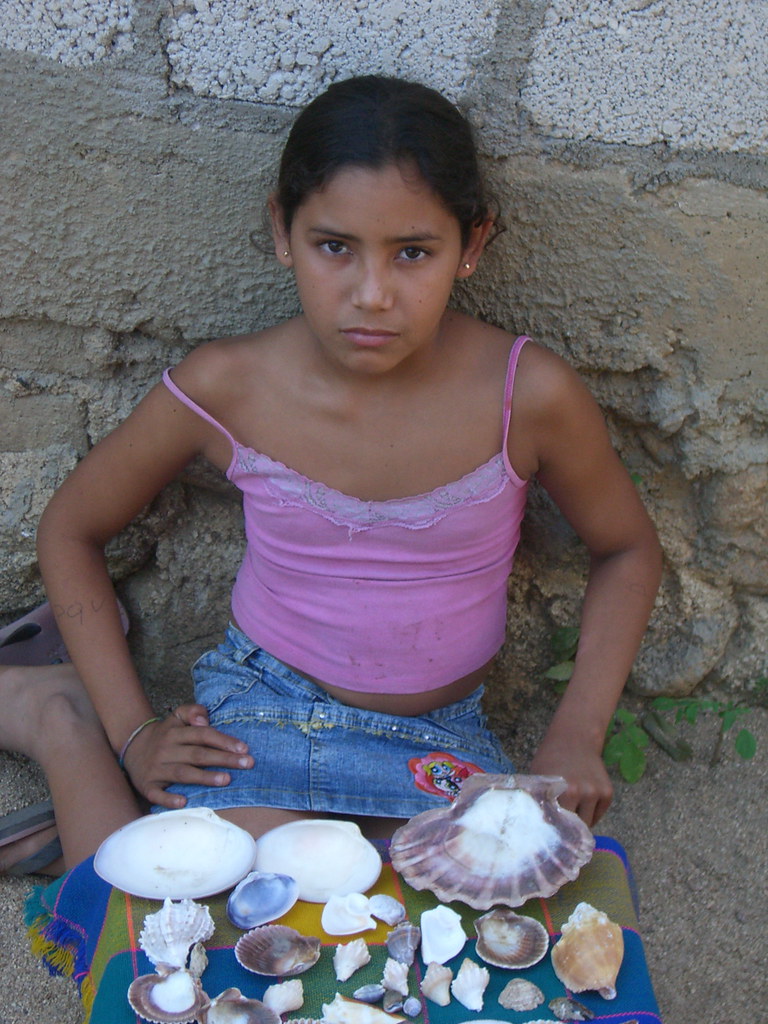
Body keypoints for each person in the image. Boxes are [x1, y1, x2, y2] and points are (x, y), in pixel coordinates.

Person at [0, 75, 662, 877]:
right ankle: (63, 718)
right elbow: (71, 527)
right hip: (262, 707)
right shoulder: (228, 386)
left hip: (438, 740)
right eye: (333, 246)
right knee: (181, 913)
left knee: (423, 938)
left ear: (473, 245)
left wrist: (576, 731)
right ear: (282, 230)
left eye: (413, 252)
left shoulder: (529, 395)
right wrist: (133, 731)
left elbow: (626, 548)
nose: (372, 294)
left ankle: (80, 797)